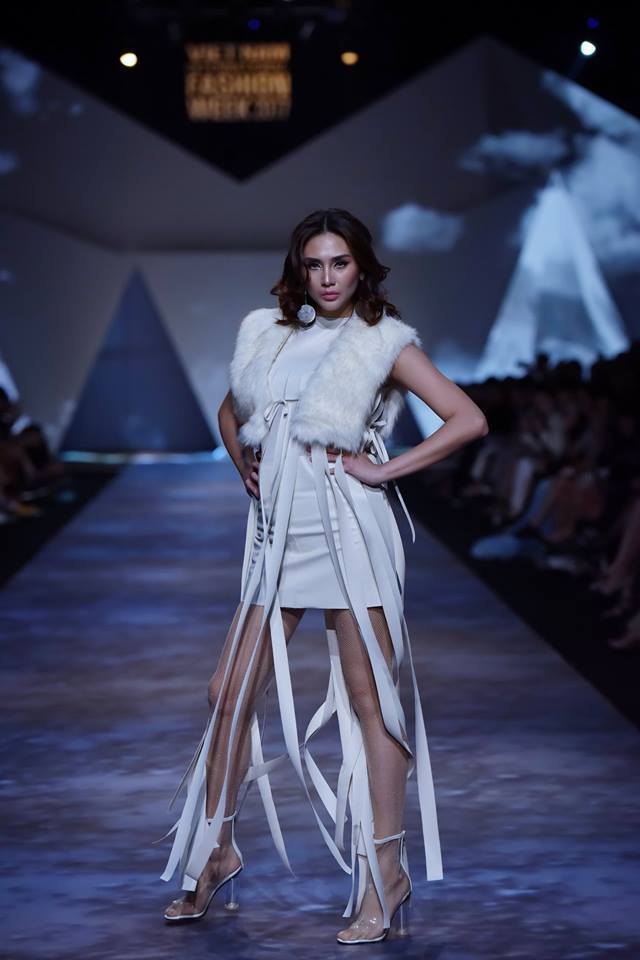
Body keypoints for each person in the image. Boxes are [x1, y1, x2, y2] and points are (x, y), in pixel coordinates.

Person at [158, 208, 489, 944]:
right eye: (315, 264)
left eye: (341, 262)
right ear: (299, 270)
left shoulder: (383, 340)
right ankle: (216, 851)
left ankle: (385, 875)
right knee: (226, 692)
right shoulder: (270, 334)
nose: (329, 277)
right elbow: (231, 410)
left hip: (348, 531)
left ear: (361, 266)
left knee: (372, 705)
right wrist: (244, 462)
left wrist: (384, 470)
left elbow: (467, 418)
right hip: (277, 536)